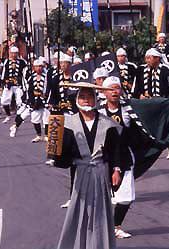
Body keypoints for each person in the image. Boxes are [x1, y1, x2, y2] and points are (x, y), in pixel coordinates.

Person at [53, 83, 122, 249]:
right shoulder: (69, 124)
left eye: (89, 96)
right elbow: (63, 157)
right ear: (77, 99)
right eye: (82, 97)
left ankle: (99, 244)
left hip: (101, 172)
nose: (86, 101)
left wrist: (116, 169)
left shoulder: (108, 123)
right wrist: (55, 150)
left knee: (100, 211)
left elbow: (116, 150)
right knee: (79, 209)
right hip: (80, 172)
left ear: (95, 99)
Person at [98, 76, 135, 239]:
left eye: (117, 88)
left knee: (127, 196)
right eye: (110, 89)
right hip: (103, 156)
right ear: (104, 92)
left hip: (124, 156)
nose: (114, 91)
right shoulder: (98, 111)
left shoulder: (129, 110)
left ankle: (115, 226)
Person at [0, 46, 27, 123]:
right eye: (12, 53)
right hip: (9, 84)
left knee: (19, 101)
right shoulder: (7, 61)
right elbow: (4, 72)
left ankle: (20, 117)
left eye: (15, 53)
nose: (14, 55)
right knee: (4, 101)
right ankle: (8, 115)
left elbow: (25, 73)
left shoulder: (22, 62)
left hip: (18, 85)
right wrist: (4, 82)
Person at [27, 59, 50, 143]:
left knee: (46, 119)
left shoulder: (47, 76)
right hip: (35, 101)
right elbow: (29, 90)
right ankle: (38, 135)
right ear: (34, 68)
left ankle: (47, 135)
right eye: (37, 66)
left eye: (40, 66)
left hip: (45, 100)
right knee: (35, 118)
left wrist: (45, 95)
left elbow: (49, 88)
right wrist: (30, 100)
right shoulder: (31, 77)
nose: (39, 68)